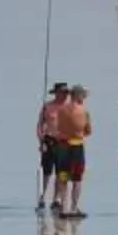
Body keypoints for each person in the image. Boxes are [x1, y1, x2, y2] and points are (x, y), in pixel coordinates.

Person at [56, 84, 93, 218]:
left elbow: (59, 127)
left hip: (63, 146)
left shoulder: (61, 110)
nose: (84, 98)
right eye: (83, 96)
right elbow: (88, 131)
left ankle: (63, 208)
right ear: (78, 96)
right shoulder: (83, 111)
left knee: (63, 176)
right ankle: (74, 207)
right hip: (77, 146)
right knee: (77, 178)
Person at [35, 82, 70, 214]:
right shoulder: (48, 107)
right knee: (47, 171)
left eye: (66, 93)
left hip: (65, 142)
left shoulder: (69, 107)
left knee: (62, 172)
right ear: (56, 93)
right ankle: (43, 196)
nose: (65, 95)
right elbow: (40, 125)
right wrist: (41, 141)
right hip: (49, 140)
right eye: (62, 92)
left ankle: (58, 198)